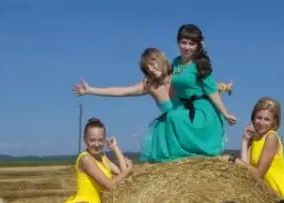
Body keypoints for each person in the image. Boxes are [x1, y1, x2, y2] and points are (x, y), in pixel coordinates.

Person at [73, 24, 236, 163]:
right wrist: (91, 90)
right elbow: (121, 91)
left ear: (161, 60)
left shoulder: (177, 73)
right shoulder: (149, 86)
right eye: (147, 67)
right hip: (176, 131)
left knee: (175, 117)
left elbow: (203, 85)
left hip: (193, 123)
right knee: (168, 122)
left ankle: (210, 158)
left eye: (153, 63)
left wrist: (225, 91)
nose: (152, 69)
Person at [51, 117, 133, 203]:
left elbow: (121, 173)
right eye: (92, 140)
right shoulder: (86, 159)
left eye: (100, 140)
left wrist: (115, 148)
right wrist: (128, 171)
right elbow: (110, 185)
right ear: (85, 140)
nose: (96, 144)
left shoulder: (102, 157)